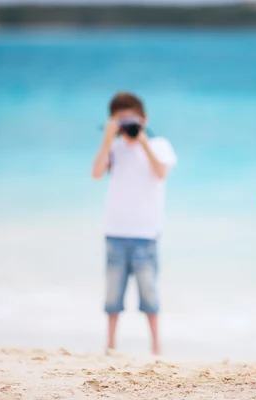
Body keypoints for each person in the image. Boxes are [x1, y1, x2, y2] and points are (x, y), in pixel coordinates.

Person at [92, 92, 177, 355]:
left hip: (146, 233)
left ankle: (156, 347)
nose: (127, 126)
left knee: (149, 293)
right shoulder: (114, 148)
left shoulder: (159, 144)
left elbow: (161, 172)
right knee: (112, 295)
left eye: (132, 120)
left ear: (144, 119)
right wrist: (108, 139)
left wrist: (143, 143)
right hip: (115, 232)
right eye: (121, 121)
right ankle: (110, 345)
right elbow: (96, 173)